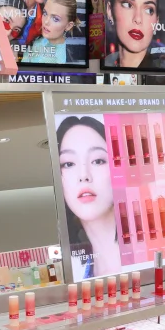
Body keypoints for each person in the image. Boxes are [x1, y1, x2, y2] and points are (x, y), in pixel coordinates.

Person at [57, 116, 118, 280]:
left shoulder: (147, 258)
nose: (84, 176)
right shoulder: (79, 276)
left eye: (98, 161)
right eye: (68, 164)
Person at [104, 0, 160, 69]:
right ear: (110, 11)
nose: (138, 19)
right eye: (127, 4)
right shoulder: (106, 63)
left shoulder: (163, 76)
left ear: (156, 22)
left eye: (149, 10)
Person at [23, 0, 81, 64]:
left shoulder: (57, 60)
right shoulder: (41, 37)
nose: (46, 22)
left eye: (55, 19)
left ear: (68, 26)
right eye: (45, 13)